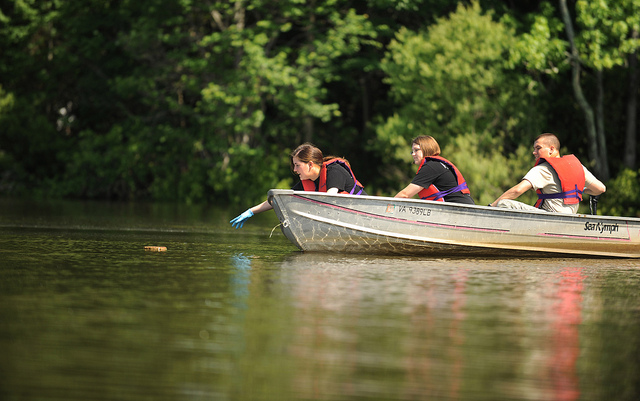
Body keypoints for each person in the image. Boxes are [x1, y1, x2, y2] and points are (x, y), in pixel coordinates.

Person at [230, 143, 366, 228]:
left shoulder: (334, 171)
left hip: (364, 213)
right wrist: (251, 211)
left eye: (297, 165)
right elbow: (279, 199)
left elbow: (329, 199)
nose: (295, 170)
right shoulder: (308, 182)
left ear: (310, 164)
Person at [489, 133, 606, 213]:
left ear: (551, 149)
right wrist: (580, 190)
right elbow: (600, 189)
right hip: (570, 219)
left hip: (549, 218)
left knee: (503, 204)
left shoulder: (543, 169)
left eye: (538, 148)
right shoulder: (578, 166)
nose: (534, 152)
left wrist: (491, 206)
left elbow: (517, 190)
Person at [395, 135, 475, 204]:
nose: (413, 154)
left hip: (460, 212)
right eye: (412, 151)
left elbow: (405, 194)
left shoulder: (431, 167)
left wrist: (388, 207)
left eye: (416, 150)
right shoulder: (436, 164)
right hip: (461, 209)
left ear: (427, 148)